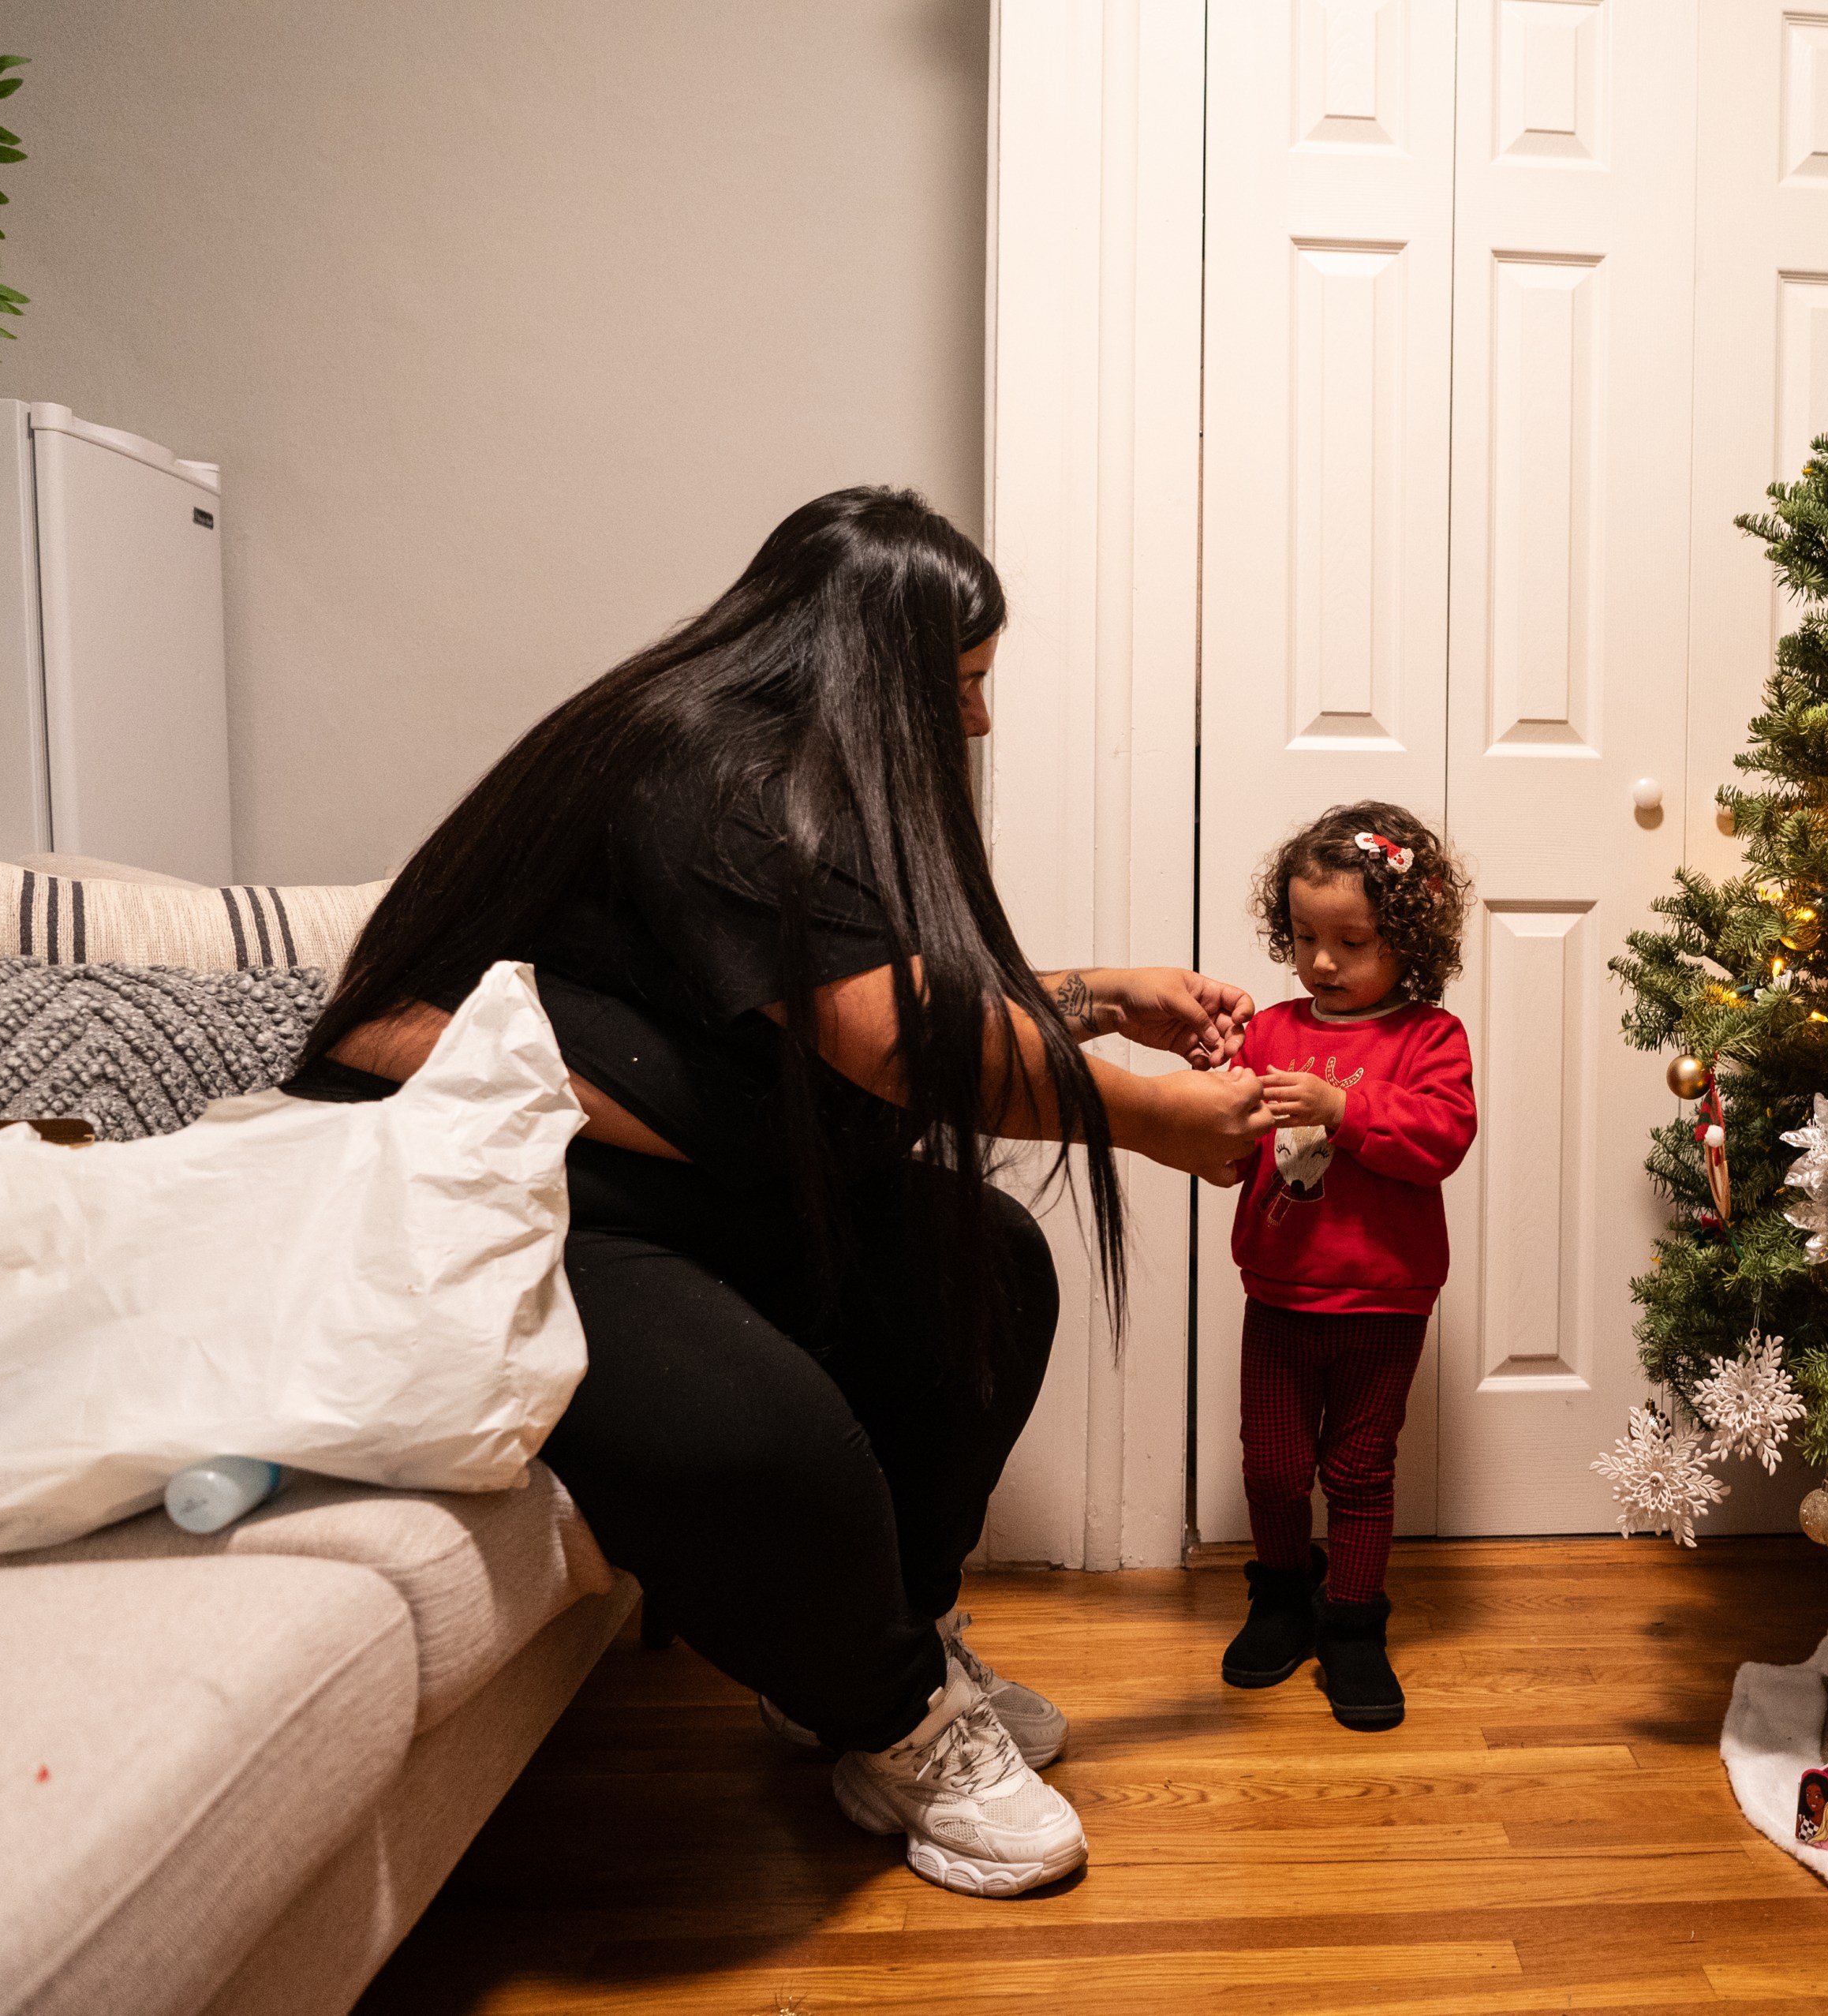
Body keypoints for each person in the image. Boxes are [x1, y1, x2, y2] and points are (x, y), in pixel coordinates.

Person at [286, 488, 1273, 1898]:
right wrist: (1160, 1121)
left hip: (664, 1168)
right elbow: (890, 1041)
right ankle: (894, 1720)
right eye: (965, 692)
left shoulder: (782, 782)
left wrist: (1102, 996)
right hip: (492, 1179)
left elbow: (850, 999)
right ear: (872, 679)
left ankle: (871, 1663)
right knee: (757, 1438)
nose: (979, 728)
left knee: (982, 1265)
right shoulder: (706, 770)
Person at [1214, 802, 1475, 1730]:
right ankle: (1283, 1592)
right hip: (1280, 1289)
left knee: (1361, 1469)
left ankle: (1355, 1622)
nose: (1321, 960)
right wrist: (1220, 1100)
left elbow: (1441, 1139)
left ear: (1405, 938)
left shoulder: (1430, 1038)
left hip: (1385, 1299)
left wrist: (1341, 1106)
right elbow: (1230, 1142)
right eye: (1304, 935)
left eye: (1350, 940)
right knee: (1276, 1467)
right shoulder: (1272, 1028)